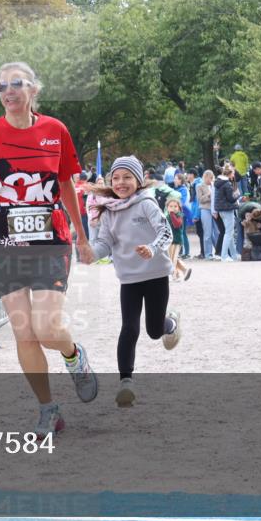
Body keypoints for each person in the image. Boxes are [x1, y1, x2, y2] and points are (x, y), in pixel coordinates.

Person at [0, 61, 97, 438]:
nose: (9, 92)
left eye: (17, 84)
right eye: (1, 86)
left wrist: (81, 235)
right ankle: (49, 409)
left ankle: (74, 356)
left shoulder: (55, 130)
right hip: (5, 241)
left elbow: (65, 185)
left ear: (34, 90)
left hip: (50, 239)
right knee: (24, 333)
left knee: (47, 329)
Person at [88, 156, 181, 407]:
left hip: (156, 274)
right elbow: (105, 244)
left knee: (153, 330)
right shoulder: (109, 211)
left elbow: (166, 232)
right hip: (128, 278)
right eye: (116, 178)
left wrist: (151, 248)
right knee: (129, 328)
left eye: (127, 177)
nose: (121, 183)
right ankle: (125, 383)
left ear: (138, 180)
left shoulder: (146, 203)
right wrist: (89, 255)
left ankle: (169, 322)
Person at [214, 164, 241, 261]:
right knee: (229, 233)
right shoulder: (227, 184)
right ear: (229, 174)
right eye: (233, 173)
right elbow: (231, 199)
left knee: (229, 233)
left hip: (221, 210)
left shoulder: (219, 182)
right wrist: (237, 194)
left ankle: (233, 255)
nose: (234, 175)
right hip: (227, 209)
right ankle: (224, 256)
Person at [165, 196, 192, 282]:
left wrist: (172, 214)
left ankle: (175, 275)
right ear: (167, 207)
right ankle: (184, 270)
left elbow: (177, 224)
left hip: (176, 240)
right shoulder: (167, 216)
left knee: (173, 258)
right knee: (172, 258)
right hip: (169, 241)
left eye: (175, 206)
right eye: (171, 206)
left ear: (179, 207)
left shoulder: (179, 215)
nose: (173, 208)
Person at [196, 170, 217, 260]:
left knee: (217, 232)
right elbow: (200, 200)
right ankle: (208, 254)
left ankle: (219, 251)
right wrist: (209, 194)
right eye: (210, 178)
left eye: (212, 178)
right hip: (205, 209)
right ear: (205, 177)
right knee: (207, 233)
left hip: (215, 210)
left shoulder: (214, 185)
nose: (211, 180)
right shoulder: (200, 186)